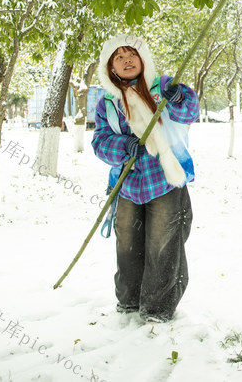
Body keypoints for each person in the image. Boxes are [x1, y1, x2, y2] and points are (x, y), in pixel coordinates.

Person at [91, 34, 199, 322]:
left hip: (164, 179)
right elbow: (100, 142)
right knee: (127, 244)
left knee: (162, 243)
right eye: (119, 57)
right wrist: (123, 147)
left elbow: (191, 111)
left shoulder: (162, 87)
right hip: (126, 185)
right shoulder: (108, 103)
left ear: (143, 60)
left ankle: (157, 309)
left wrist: (178, 97)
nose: (127, 60)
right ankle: (128, 302)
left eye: (132, 55)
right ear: (110, 67)